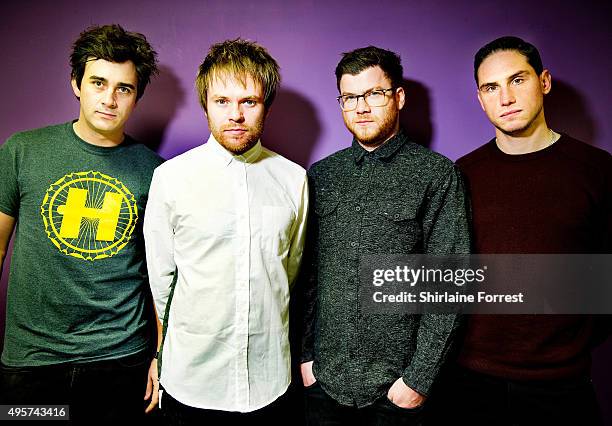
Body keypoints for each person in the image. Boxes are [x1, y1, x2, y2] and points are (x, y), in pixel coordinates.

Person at [432, 36, 611, 425]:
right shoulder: (460, 174)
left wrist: (569, 341)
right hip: (470, 381)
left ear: (544, 81)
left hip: (561, 385)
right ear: (480, 99)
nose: (506, 98)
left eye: (518, 80)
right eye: (491, 88)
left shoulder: (598, 170)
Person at [299, 46, 470, 425]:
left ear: (399, 96)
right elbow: (307, 276)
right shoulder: (322, 175)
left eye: (374, 94)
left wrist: (418, 380)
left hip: (396, 392)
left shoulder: (437, 175)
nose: (361, 107)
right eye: (349, 97)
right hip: (324, 384)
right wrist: (306, 359)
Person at [0, 24, 162, 422]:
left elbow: (162, 276)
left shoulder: (157, 172)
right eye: (98, 83)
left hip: (121, 362)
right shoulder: (22, 151)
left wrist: (161, 356)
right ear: (76, 83)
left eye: (123, 88)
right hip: (32, 363)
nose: (109, 99)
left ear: (137, 97)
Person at [143, 39, 308, 424]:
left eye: (248, 101)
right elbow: (162, 281)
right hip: (192, 382)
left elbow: (291, 269)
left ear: (265, 104)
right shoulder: (170, 179)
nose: (235, 114)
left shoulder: (294, 179)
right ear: (206, 105)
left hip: (271, 383)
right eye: (222, 101)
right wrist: (159, 355)